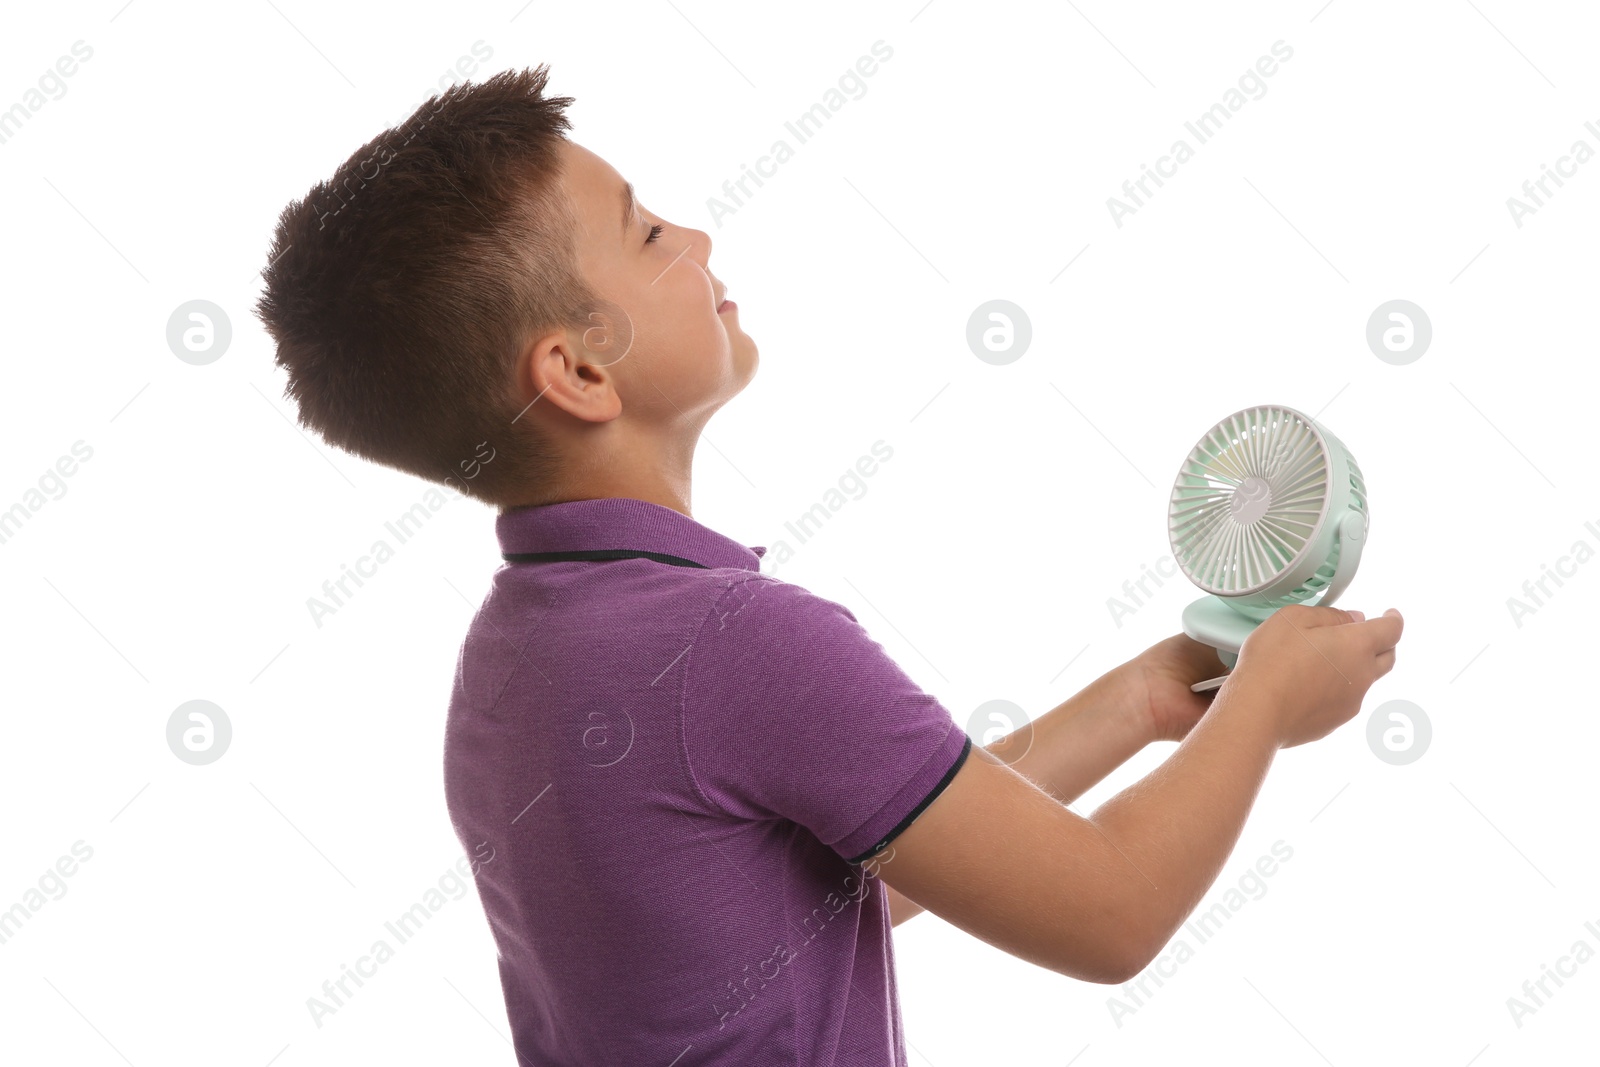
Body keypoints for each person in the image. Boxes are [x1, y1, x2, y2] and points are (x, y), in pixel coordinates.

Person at [253, 64, 1405, 1066]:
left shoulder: (514, 655)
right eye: (648, 231)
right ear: (578, 372)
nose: (698, 239)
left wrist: (1144, 704)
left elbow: (812, 895)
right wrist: (1263, 701)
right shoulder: (734, 643)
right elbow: (1111, 913)